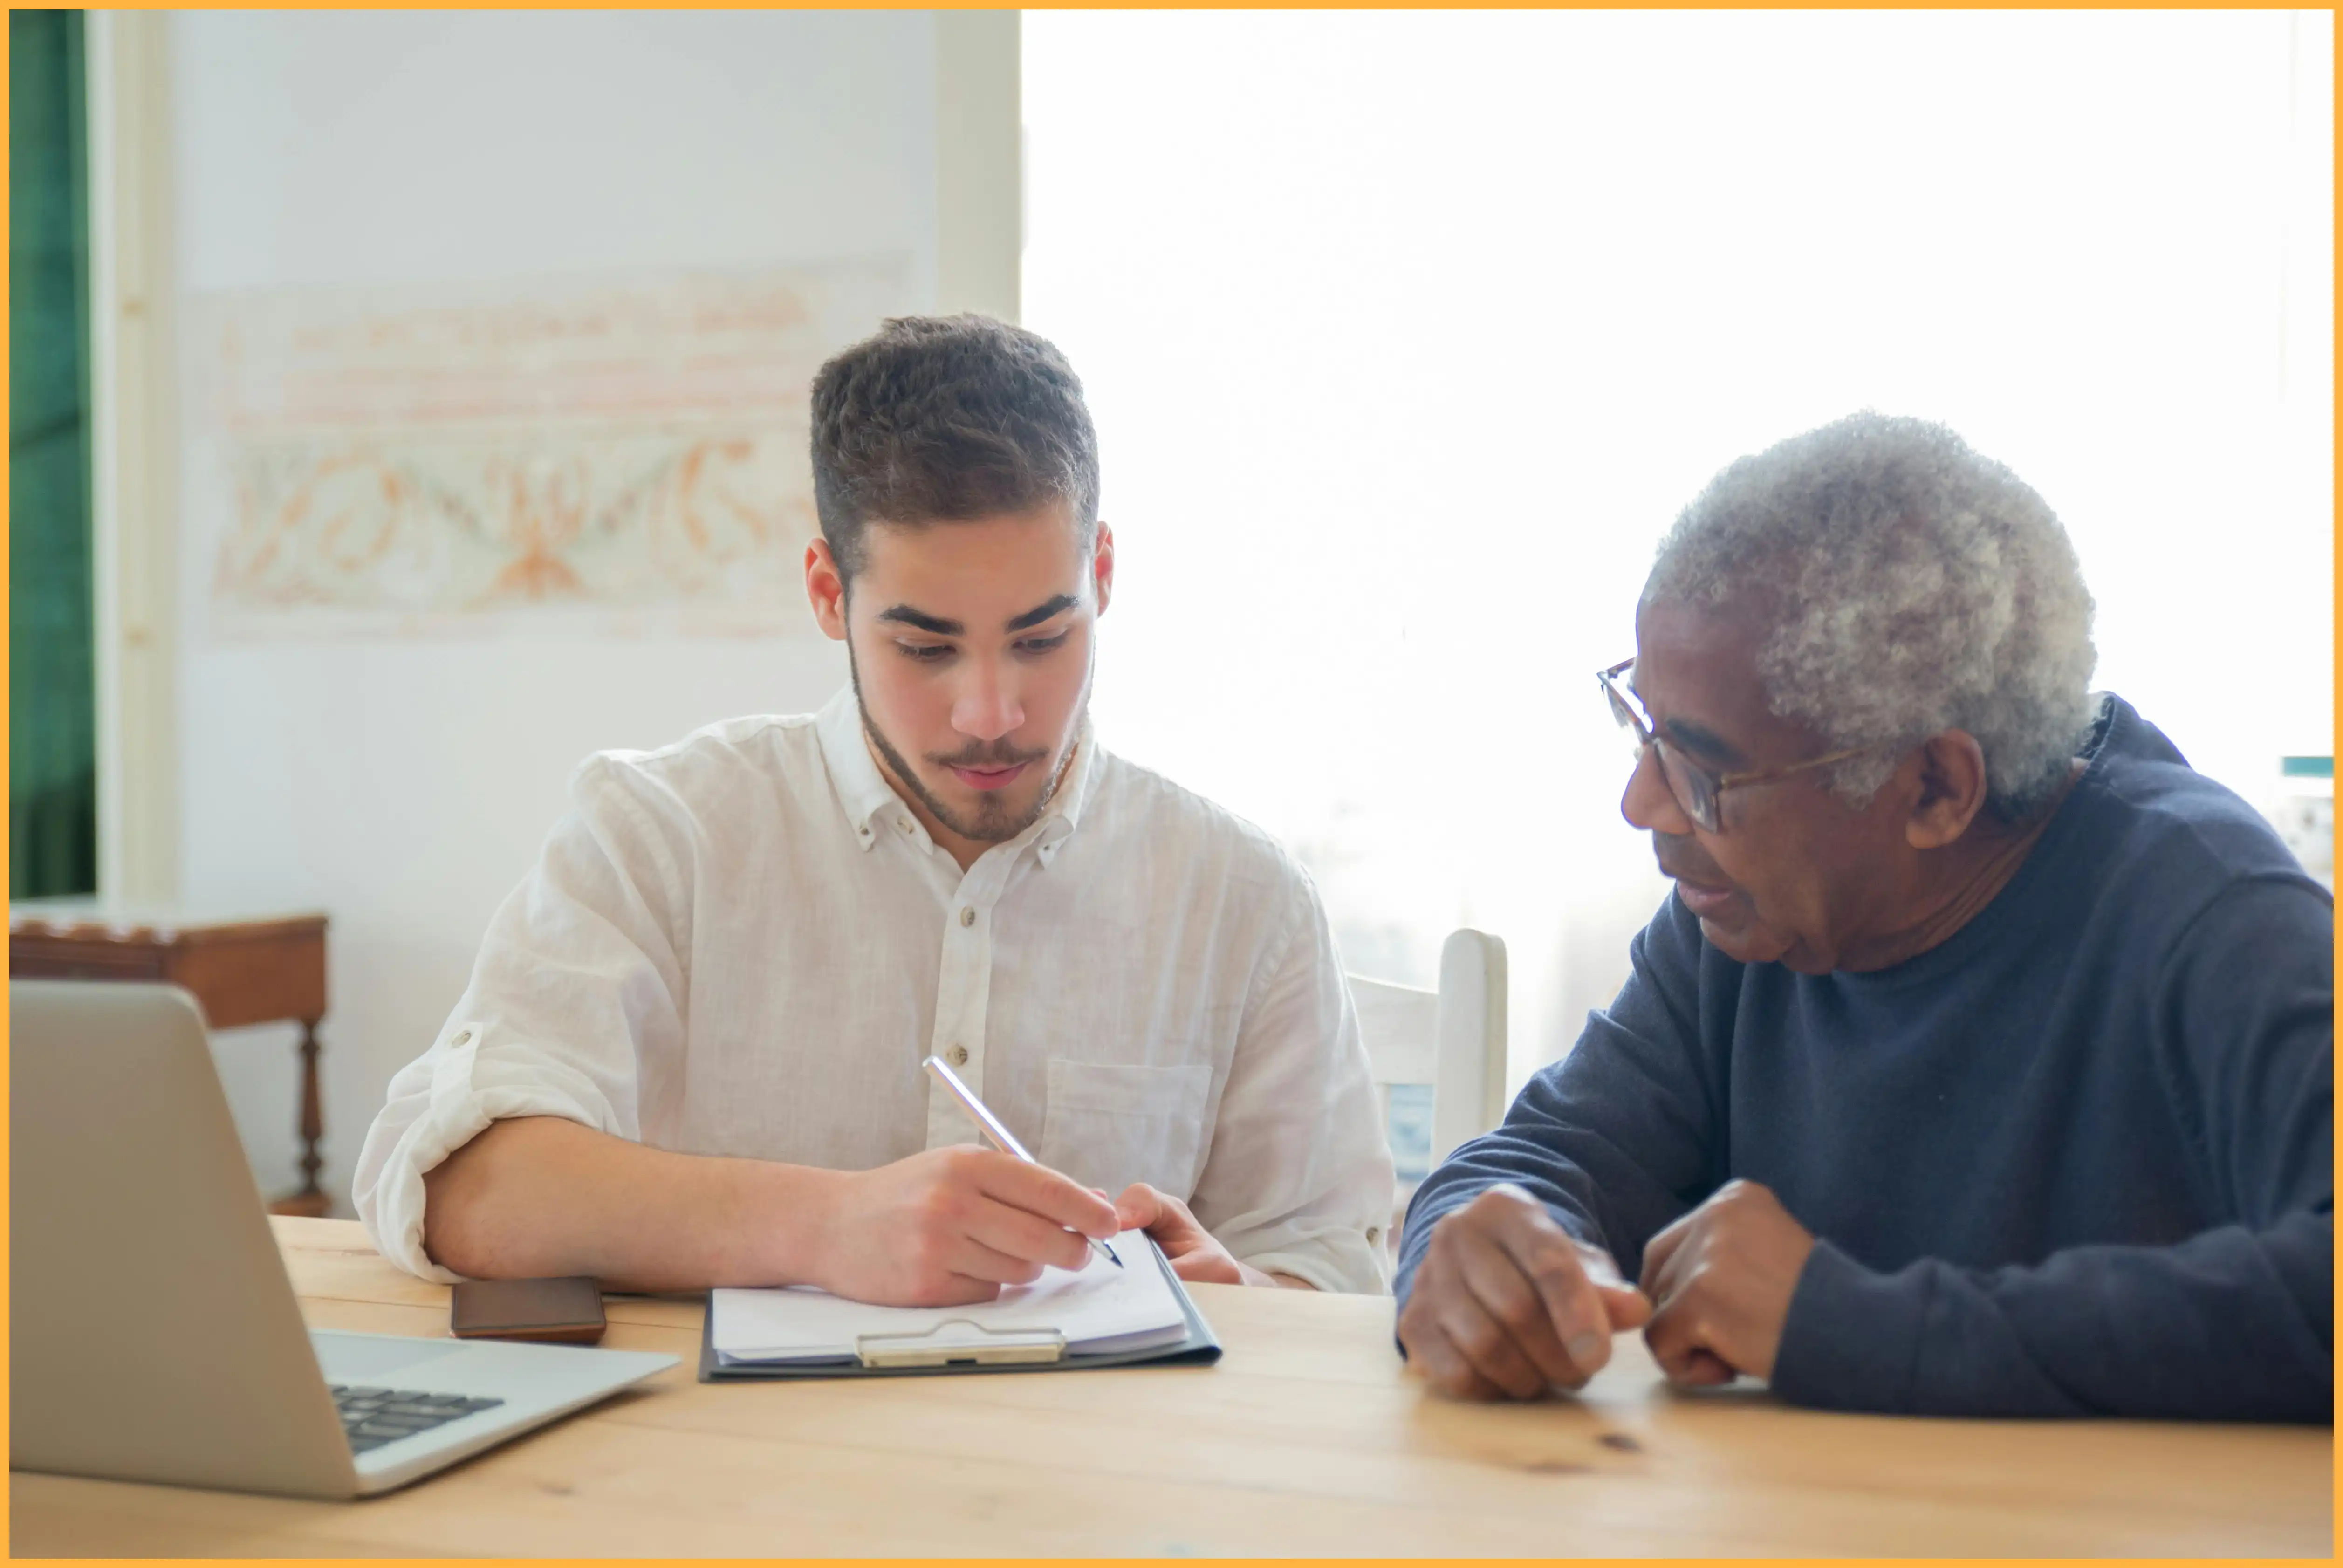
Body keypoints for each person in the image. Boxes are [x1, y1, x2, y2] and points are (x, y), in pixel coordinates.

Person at [355, 315, 1393, 1304]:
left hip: (1105, 1475)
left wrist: (1240, 1292)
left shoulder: (1243, 898)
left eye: (1041, 637)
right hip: (724, 1474)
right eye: (925, 647)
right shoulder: (662, 834)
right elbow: (457, 1182)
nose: (992, 713)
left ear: (1103, 574)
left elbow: (1337, 1269)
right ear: (826, 594)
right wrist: (824, 1223)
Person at [1396, 412, 2331, 1420]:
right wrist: (1474, 1242)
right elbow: (1544, 1156)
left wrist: (1847, 1322)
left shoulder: (2212, 913)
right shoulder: (1743, 919)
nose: (1644, 806)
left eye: (1703, 771)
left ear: (1935, 785)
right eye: (1644, 728)